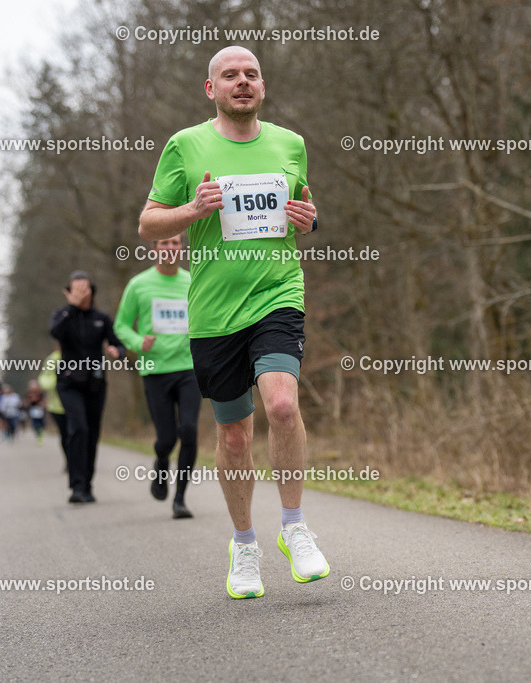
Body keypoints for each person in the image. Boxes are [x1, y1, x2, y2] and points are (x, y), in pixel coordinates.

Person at [139, 46, 326, 598]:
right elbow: (150, 222)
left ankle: (294, 528)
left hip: (277, 295)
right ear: (210, 88)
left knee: (284, 405)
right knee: (235, 436)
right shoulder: (186, 146)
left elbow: (304, 212)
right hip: (216, 314)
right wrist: (193, 210)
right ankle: (244, 543)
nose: (242, 82)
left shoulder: (290, 144)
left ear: (262, 87)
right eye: (230, 76)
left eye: (251, 75)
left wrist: (310, 220)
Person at [114, 233, 201, 519]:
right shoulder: (138, 285)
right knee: (166, 438)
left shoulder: (192, 280)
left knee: (188, 431)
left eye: (175, 243)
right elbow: (122, 326)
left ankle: (180, 499)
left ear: (181, 248)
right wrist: (139, 343)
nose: (170, 248)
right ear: (154, 249)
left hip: (188, 367)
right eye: (164, 243)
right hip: (154, 370)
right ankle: (161, 461)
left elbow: (208, 315)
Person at [50, 270, 126, 504]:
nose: (82, 293)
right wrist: (71, 308)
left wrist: (117, 352)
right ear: (69, 292)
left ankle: (87, 485)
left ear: (92, 291)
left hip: (95, 383)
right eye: (76, 289)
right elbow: (55, 333)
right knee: (78, 428)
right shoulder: (62, 315)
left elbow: (118, 345)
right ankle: (76, 485)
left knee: (92, 433)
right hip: (68, 383)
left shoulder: (101, 318)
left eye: (86, 288)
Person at [39, 344, 70, 469]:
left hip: (77, 404)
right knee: (65, 435)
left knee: (77, 433)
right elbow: (44, 381)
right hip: (57, 406)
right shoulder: (53, 359)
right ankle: (69, 460)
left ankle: (77, 460)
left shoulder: (80, 355)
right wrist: (60, 380)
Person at [25, 380, 47, 445]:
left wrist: (42, 405)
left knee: (42, 423)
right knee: (35, 423)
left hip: (40, 409)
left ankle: (41, 431)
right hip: (33, 409)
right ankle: (38, 434)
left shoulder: (40, 393)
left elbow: (44, 400)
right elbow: (26, 401)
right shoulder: (28, 393)